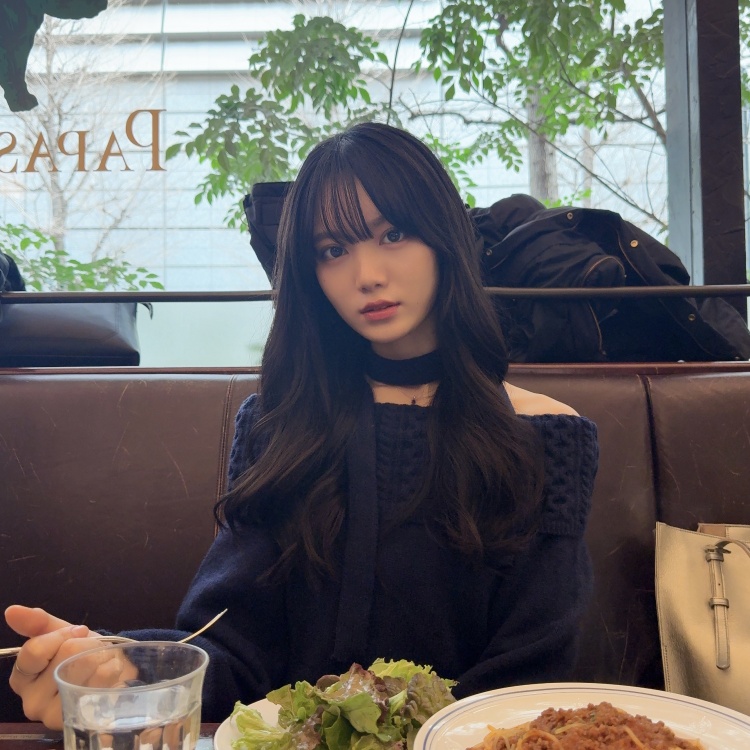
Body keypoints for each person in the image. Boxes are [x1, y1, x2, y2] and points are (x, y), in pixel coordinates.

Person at [5, 122, 598, 727]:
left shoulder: (543, 436)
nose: (366, 274)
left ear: (444, 236)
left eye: (393, 234)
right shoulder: (280, 428)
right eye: (333, 250)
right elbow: (231, 655)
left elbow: (533, 675)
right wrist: (122, 669)